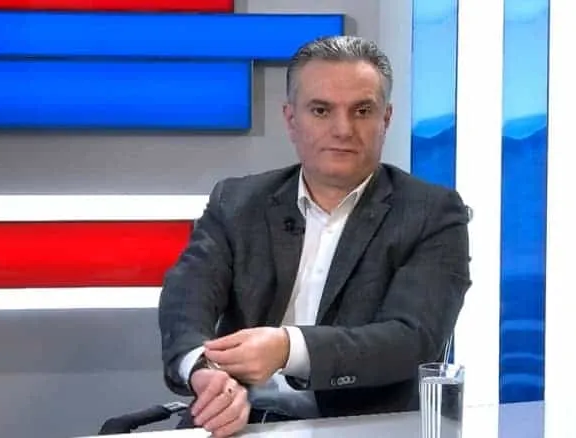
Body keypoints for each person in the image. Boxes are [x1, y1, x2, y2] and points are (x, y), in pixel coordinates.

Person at [157, 35, 471, 438]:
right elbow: (185, 299)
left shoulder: (432, 213)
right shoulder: (236, 202)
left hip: (360, 428)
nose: (343, 129)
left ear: (386, 119)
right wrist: (203, 370)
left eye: (362, 110)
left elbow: (412, 338)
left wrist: (288, 349)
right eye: (321, 110)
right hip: (235, 426)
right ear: (291, 120)